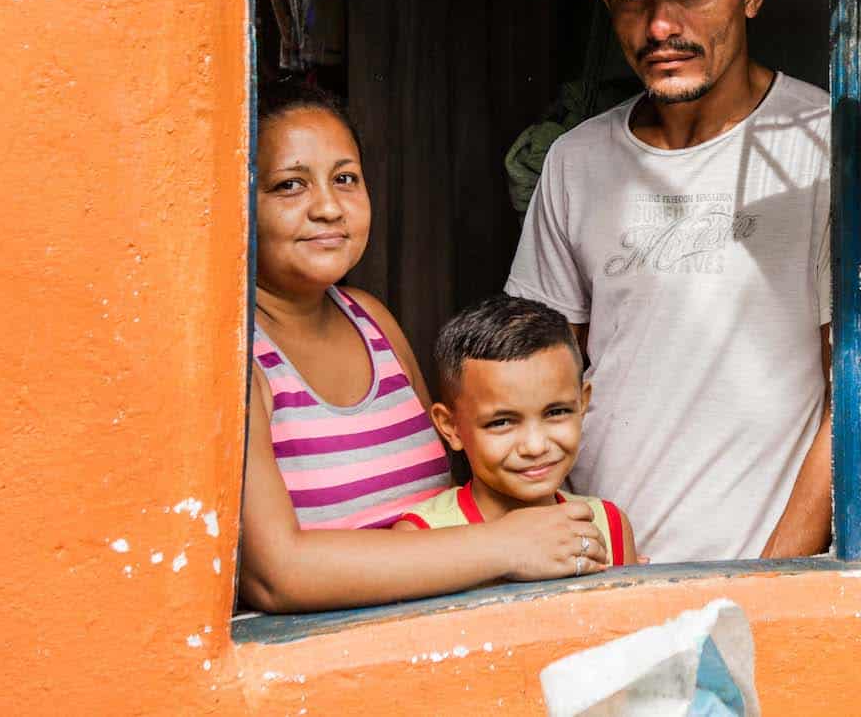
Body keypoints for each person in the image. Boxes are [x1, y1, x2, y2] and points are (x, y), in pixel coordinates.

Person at [505, 0, 833, 563]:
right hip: (599, 567)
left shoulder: (822, 145)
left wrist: (772, 578)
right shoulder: (576, 161)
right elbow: (534, 385)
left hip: (758, 572)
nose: (660, 26)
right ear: (608, 4)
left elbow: (852, 394)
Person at [238, 81, 609, 613]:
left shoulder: (372, 321)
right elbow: (278, 575)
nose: (327, 207)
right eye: (289, 185)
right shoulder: (239, 356)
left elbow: (463, 487)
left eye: (345, 179)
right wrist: (506, 546)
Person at [392, 295, 636, 571]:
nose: (535, 446)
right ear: (451, 427)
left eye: (556, 412)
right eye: (502, 422)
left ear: (583, 403)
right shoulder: (422, 537)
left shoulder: (608, 524)